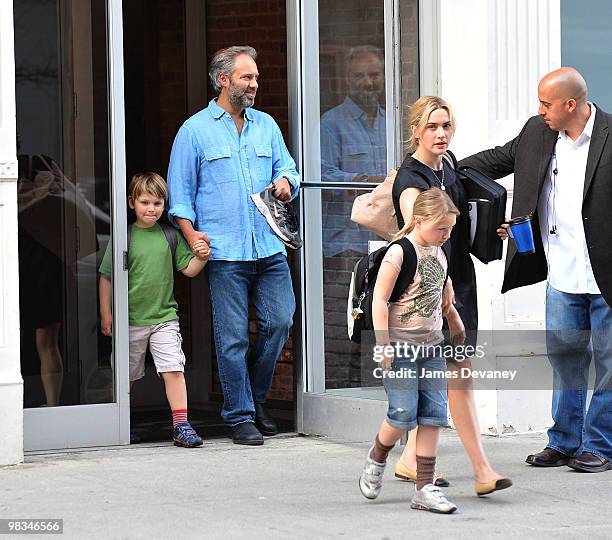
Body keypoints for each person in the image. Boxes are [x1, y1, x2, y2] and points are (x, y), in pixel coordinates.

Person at [460, 67, 612, 473]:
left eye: (546, 104)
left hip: (606, 274)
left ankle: (600, 445)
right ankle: (563, 441)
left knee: (609, 363)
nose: (540, 111)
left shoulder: (610, 135)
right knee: (565, 359)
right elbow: (492, 161)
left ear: (570, 105)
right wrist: (436, 168)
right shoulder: (537, 132)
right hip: (562, 274)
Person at [167, 46, 300, 446]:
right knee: (233, 338)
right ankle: (239, 415)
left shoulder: (266, 126)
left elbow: (289, 169)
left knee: (280, 321)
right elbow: (180, 196)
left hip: (269, 247)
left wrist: (286, 184)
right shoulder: (194, 131)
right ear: (223, 80)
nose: (254, 84)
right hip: (225, 253)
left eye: (255, 78)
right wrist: (192, 237)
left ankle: (255, 399)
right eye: (247, 77)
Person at [392, 96, 512, 495]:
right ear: (415, 132)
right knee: (456, 379)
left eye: (446, 125)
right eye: (432, 127)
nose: (441, 133)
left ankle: (410, 459)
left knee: (447, 377)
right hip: (431, 290)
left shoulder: (451, 166)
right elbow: (415, 231)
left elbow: (459, 221)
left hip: (460, 280)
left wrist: (487, 228)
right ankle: (482, 470)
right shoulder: (411, 180)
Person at [358, 188, 463, 514]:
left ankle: (424, 488)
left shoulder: (440, 253)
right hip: (399, 347)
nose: (445, 236)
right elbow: (379, 300)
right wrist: (383, 344)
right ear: (419, 220)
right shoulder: (399, 253)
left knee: (433, 416)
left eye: (449, 230)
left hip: (431, 347)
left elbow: (444, 299)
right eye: (440, 229)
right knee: (403, 414)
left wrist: (456, 325)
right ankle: (377, 456)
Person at [99, 172, 209, 448]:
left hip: (164, 318)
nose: (151, 209)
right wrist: (106, 313)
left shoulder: (169, 236)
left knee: (173, 368)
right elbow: (106, 276)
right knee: (126, 375)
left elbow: (189, 270)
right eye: (145, 202)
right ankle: (118, 422)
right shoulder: (124, 237)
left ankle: (181, 425)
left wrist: (203, 256)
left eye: (157, 203)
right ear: (131, 203)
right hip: (130, 320)